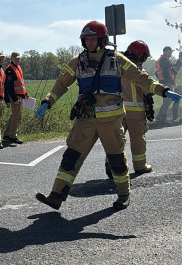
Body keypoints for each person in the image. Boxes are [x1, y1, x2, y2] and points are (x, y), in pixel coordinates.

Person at [33, 21, 181, 211]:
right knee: (71, 157)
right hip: (85, 119)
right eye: (86, 39)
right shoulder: (77, 61)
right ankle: (56, 196)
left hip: (111, 121)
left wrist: (163, 90)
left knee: (116, 160)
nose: (89, 43)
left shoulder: (116, 59)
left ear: (102, 40)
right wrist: (47, 101)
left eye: (93, 39)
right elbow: (62, 83)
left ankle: (123, 195)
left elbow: (139, 77)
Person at [105, 40, 154, 177]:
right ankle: (140, 166)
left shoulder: (117, 68)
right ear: (141, 55)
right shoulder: (138, 71)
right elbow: (148, 90)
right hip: (136, 113)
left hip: (117, 111)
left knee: (116, 140)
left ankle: (111, 165)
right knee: (138, 140)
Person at [3, 52, 28, 144]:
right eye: (16, 58)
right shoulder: (9, 70)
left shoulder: (18, 68)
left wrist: (25, 93)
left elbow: (21, 83)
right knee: (17, 116)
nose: (18, 60)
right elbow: (9, 87)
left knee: (14, 115)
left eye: (18, 58)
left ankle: (7, 134)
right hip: (15, 96)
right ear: (12, 59)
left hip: (20, 95)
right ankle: (13, 136)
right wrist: (14, 99)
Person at [155, 47, 177, 123]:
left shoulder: (162, 59)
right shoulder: (164, 60)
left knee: (167, 100)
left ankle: (161, 117)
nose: (171, 53)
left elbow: (157, 72)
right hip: (167, 82)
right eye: (170, 52)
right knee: (168, 100)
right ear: (166, 51)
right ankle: (161, 117)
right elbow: (166, 73)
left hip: (164, 82)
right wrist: (173, 82)